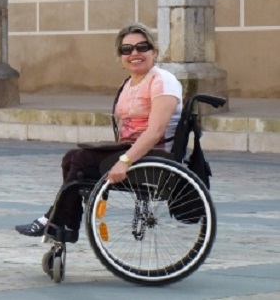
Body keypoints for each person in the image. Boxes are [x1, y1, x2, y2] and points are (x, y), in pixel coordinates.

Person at [15, 22, 183, 239]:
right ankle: (65, 226)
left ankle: (53, 221)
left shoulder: (163, 81)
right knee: (71, 158)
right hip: (134, 150)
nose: (134, 53)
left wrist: (124, 161)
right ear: (120, 57)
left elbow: (155, 132)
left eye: (142, 47)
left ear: (155, 52)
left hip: (154, 157)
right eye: (127, 49)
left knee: (81, 160)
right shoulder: (131, 82)